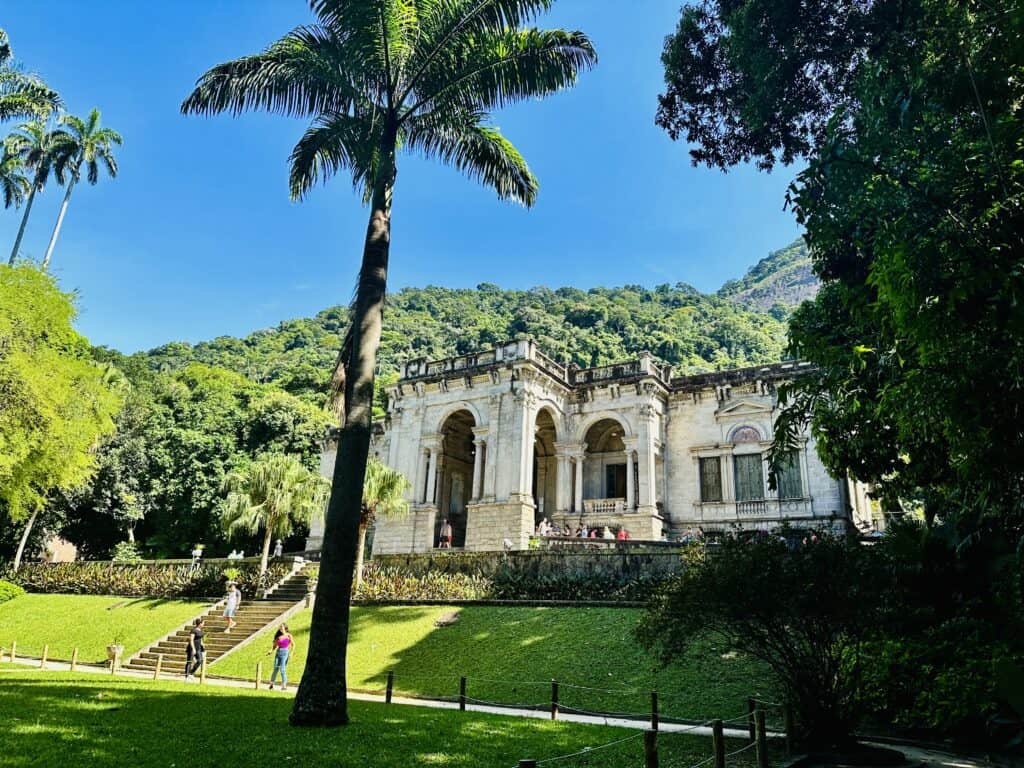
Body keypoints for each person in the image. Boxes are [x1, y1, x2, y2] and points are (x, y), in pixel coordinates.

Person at [267, 623, 293, 691]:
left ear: (285, 628)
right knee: (275, 668)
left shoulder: (289, 635)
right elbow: (274, 646)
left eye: (281, 627)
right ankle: (271, 684)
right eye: (280, 627)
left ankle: (284, 686)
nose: (280, 628)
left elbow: (293, 645)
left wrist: (291, 653)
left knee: (282, 669)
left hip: (285, 652)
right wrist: (270, 651)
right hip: (278, 652)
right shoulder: (278, 636)